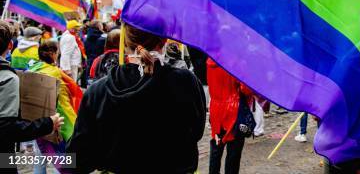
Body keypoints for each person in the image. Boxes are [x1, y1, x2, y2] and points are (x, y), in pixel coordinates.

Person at [67, 24, 206, 173]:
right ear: (164, 41)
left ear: (125, 43)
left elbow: (78, 158)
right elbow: (196, 132)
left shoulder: (97, 92)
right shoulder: (186, 82)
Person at [0, 20, 64, 174]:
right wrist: (47, 123)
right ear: (9, 45)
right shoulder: (8, 77)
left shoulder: (15, 54)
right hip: (27, 104)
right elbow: (6, 128)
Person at [29, 41, 83, 173]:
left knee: (41, 156)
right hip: (60, 123)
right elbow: (76, 92)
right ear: (53, 54)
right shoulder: (57, 73)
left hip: (37, 123)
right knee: (64, 161)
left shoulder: (31, 70)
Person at [208, 58, 252, 174]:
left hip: (216, 110)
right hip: (233, 111)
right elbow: (246, 89)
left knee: (216, 148)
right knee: (233, 154)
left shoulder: (209, 60)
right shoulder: (237, 62)